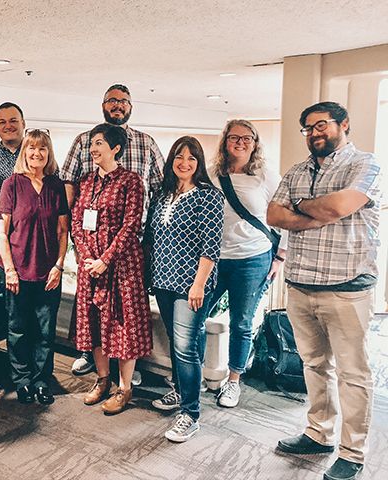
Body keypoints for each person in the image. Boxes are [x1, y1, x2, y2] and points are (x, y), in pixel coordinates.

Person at [268, 102, 382, 480]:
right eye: (308, 128)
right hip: (300, 286)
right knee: (315, 366)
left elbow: (337, 206)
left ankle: (353, 452)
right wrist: (315, 213)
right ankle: (319, 434)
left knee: (353, 374)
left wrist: (300, 207)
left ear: (343, 124)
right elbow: (273, 215)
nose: (315, 133)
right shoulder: (297, 170)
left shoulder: (366, 165)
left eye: (322, 125)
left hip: (347, 288)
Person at [167, 119, 285, 411]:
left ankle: (233, 380)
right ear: (225, 141)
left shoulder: (266, 176)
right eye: (234, 137)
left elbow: (287, 216)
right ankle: (189, 381)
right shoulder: (212, 174)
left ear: (255, 143)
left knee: (241, 323)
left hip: (253, 259)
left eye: (247, 138)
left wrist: (280, 256)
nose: (241, 142)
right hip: (213, 259)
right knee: (194, 321)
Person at [61, 83, 164, 378]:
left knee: (124, 312)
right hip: (90, 249)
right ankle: (95, 362)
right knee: (93, 310)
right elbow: (70, 186)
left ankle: (127, 370)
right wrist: (82, 249)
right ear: (103, 104)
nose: (117, 105)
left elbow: (157, 190)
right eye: (112, 101)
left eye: (123, 101)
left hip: (129, 246)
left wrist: (147, 238)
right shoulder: (83, 142)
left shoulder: (145, 145)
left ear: (131, 106)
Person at [144, 135, 224, 441]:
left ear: (199, 163)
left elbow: (211, 246)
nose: (185, 163)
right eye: (179, 156)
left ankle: (190, 414)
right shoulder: (163, 195)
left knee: (185, 349)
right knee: (178, 345)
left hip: (191, 284)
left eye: (191, 158)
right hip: (163, 281)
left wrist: (199, 285)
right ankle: (179, 392)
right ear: (171, 160)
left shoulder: (208, 196)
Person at [72, 123, 152, 415]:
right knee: (93, 323)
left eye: (99, 143)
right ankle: (102, 379)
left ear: (116, 148)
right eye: (92, 144)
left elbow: (131, 225)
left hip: (121, 267)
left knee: (122, 326)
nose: (93, 149)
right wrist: (86, 257)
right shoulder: (85, 181)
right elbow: (76, 222)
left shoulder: (131, 181)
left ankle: (124, 387)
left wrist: (105, 259)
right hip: (89, 266)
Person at [0, 129, 69, 405]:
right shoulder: (11, 185)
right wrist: (10, 270)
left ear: (49, 154)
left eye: (42, 149)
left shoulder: (55, 186)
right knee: (17, 330)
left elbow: (63, 232)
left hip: (48, 272)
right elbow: (2, 233)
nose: (37, 154)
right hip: (17, 271)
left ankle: (41, 381)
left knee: (45, 332)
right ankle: (23, 381)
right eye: (31, 149)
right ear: (24, 152)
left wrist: (59, 266)